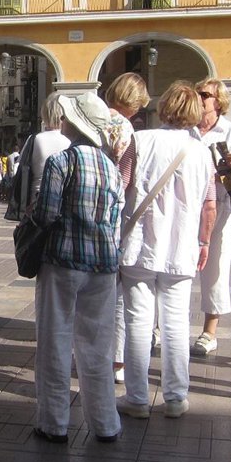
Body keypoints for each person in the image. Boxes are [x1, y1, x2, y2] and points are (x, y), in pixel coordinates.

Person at [117, 81, 217, 420]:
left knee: (137, 320)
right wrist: (204, 241)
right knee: (176, 322)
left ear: (164, 107)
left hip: (139, 244)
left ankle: (137, 397)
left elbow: (121, 186)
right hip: (181, 246)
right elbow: (209, 205)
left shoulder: (140, 140)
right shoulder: (202, 152)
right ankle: (175, 397)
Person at [32, 91, 124, 445]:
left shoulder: (61, 162)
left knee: (54, 341)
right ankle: (105, 423)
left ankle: (54, 423)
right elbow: (115, 216)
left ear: (75, 124)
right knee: (97, 346)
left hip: (63, 260)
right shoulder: (111, 167)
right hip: (103, 263)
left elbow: (46, 214)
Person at [190, 78, 231, 358]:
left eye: (205, 94)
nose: (199, 98)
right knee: (176, 264)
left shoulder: (230, 131)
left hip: (221, 206)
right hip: (188, 205)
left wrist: (224, 170)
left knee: (216, 266)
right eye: (197, 93)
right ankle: (160, 325)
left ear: (219, 101)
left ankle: (209, 331)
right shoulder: (188, 128)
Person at [103, 72, 150, 384]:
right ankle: (116, 359)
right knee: (117, 290)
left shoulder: (93, 117)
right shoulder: (125, 128)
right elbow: (124, 178)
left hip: (84, 205)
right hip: (112, 211)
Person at [28, 93, 72, 209]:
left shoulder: (35, 139)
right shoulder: (72, 140)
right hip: (66, 199)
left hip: (37, 199)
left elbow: (19, 168)